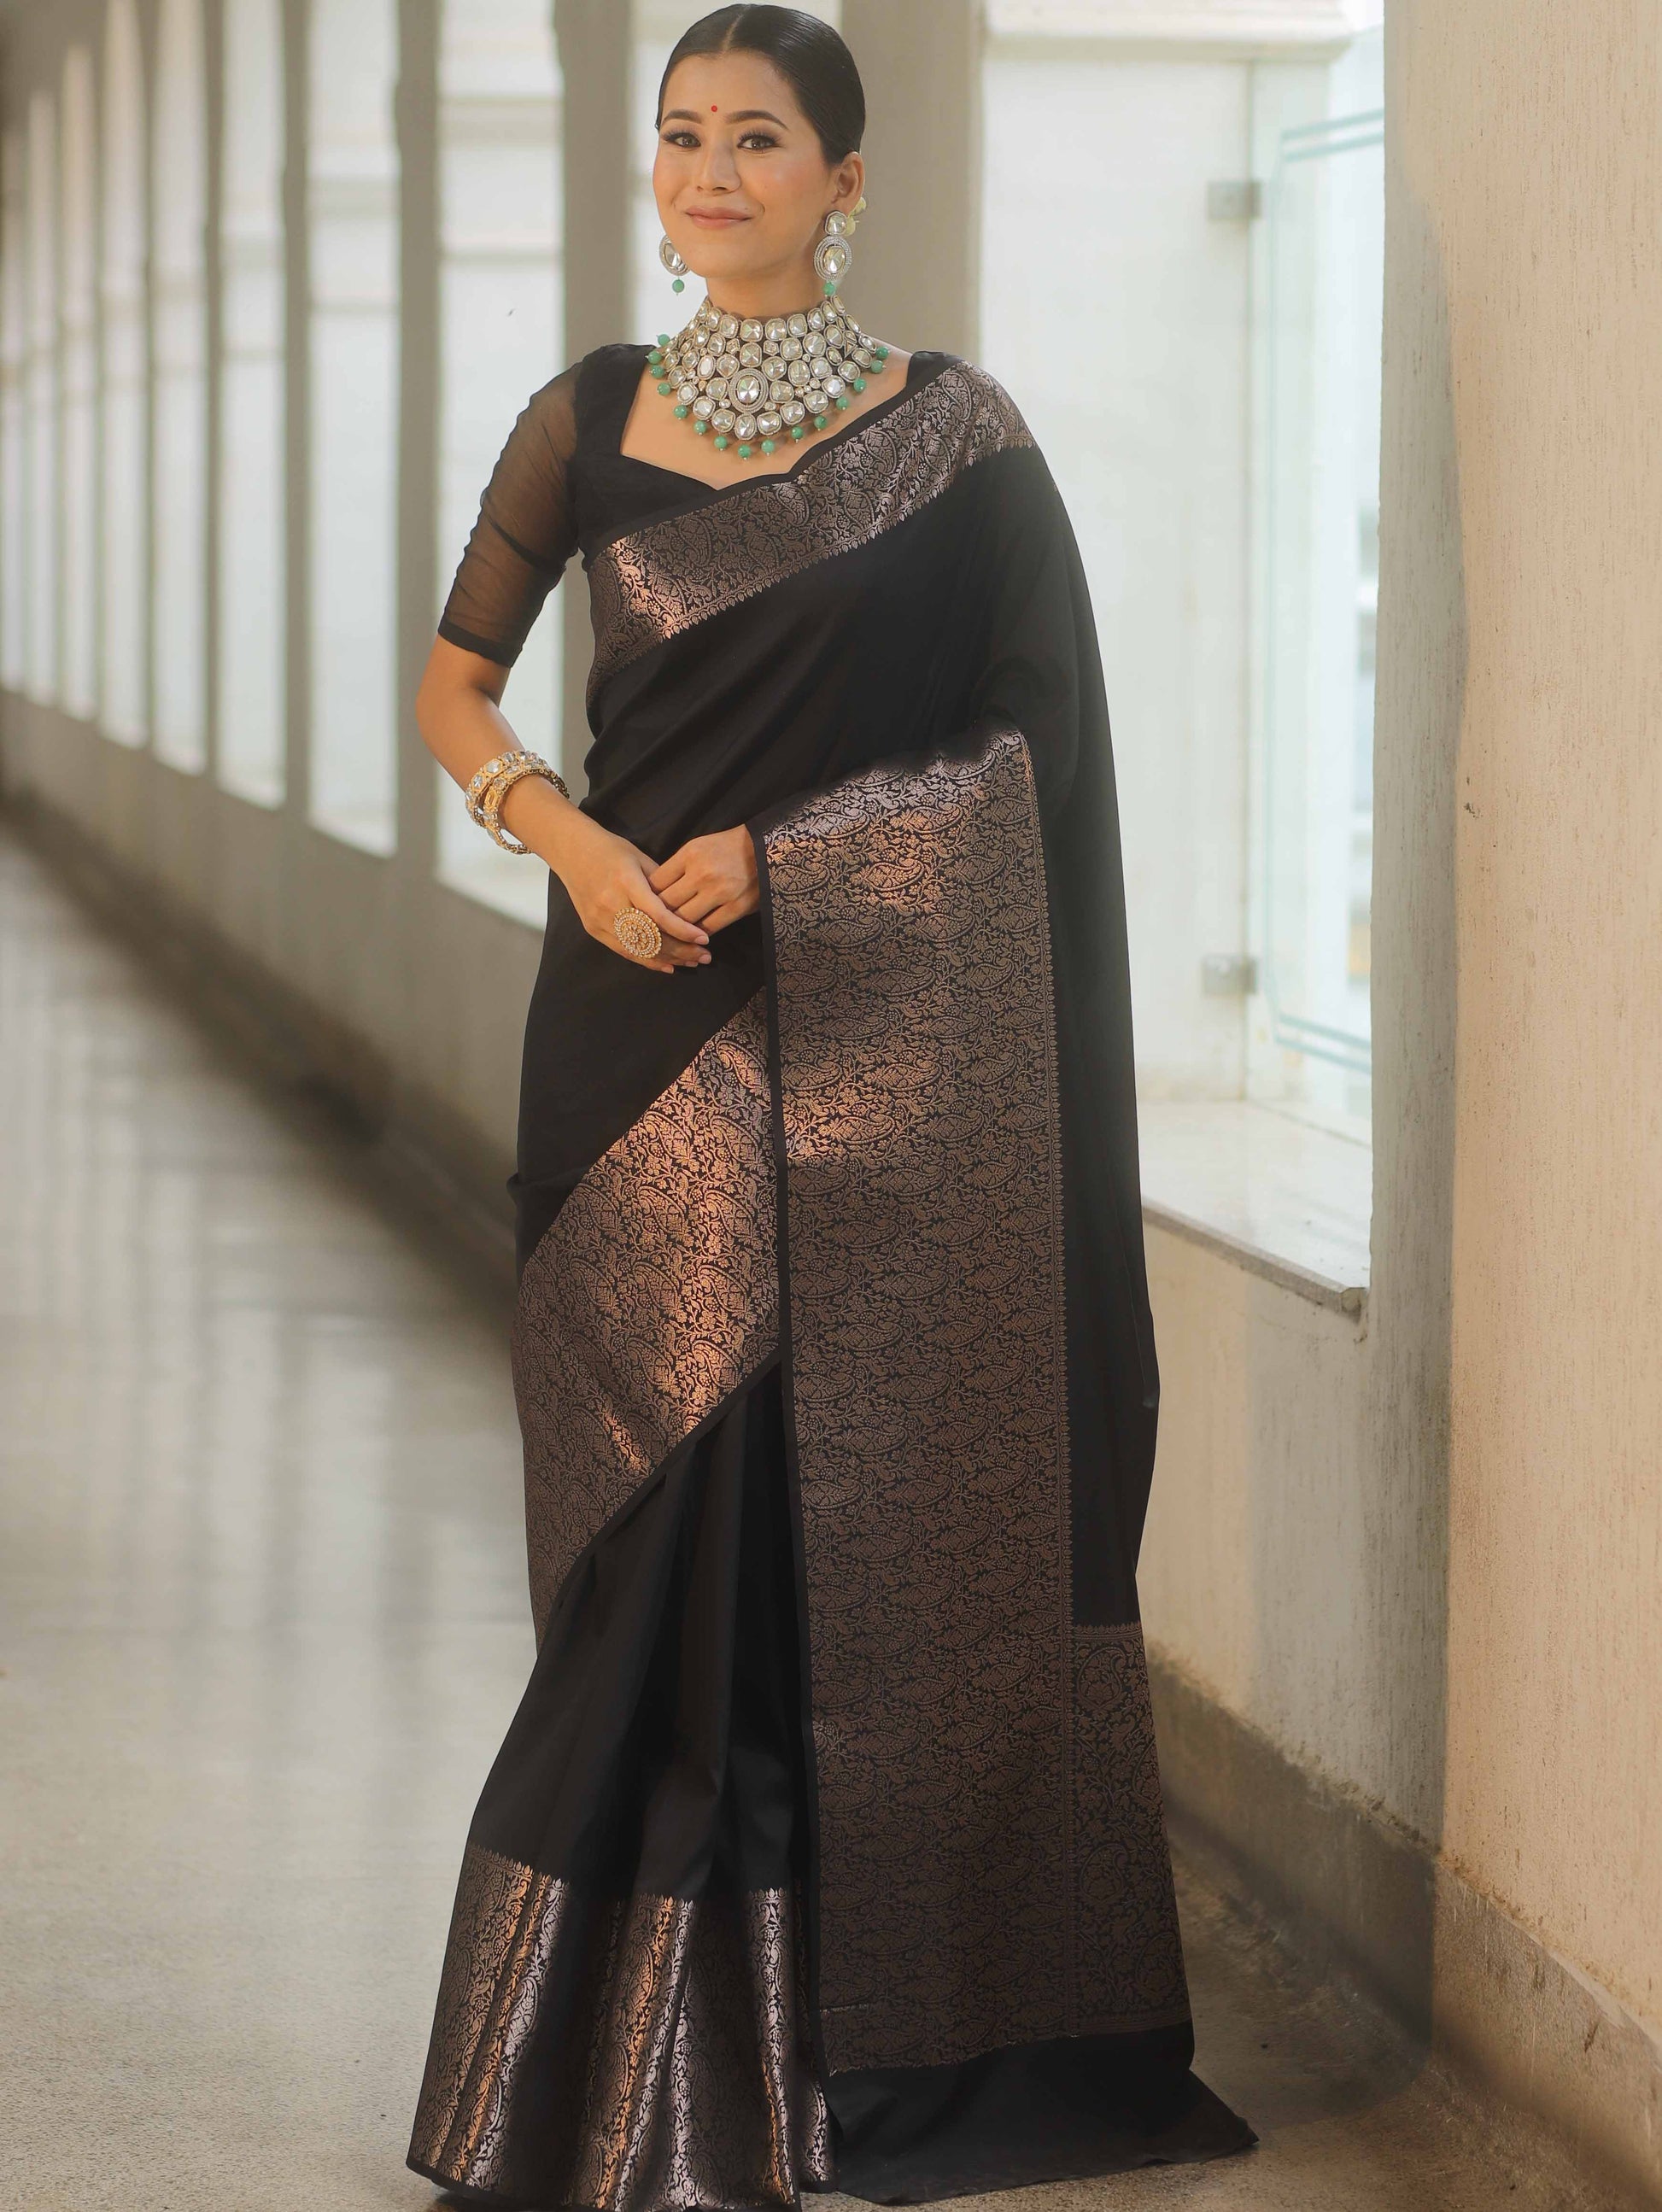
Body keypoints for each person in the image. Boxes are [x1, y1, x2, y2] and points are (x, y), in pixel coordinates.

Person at [405, 7, 1255, 2205]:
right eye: (681, 135)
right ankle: (593, 2075)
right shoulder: (584, 418)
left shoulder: (958, 445)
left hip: (883, 1047)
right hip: (626, 1035)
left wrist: (792, 860)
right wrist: (562, 838)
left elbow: (1035, 758)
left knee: (828, 1532)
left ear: (843, 181)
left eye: (758, 139)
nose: (709, 172)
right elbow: (456, 680)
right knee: (648, 1546)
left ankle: (859, 2046)